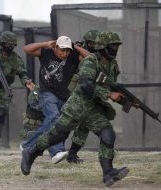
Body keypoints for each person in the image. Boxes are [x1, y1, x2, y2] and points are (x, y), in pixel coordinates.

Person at [21, 31, 130, 187]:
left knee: (107, 134)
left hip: (92, 108)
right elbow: (86, 86)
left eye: (116, 46)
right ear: (103, 47)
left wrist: (126, 101)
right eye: (111, 46)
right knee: (56, 135)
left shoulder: (112, 65)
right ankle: (30, 152)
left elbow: (112, 89)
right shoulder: (90, 61)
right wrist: (109, 94)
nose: (115, 49)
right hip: (76, 106)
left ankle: (108, 173)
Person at [21, 35, 88, 164]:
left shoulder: (73, 57)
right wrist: (46, 43)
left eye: (67, 50)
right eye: (62, 49)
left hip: (63, 96)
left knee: (53, 124)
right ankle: (56, 152)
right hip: (47, 93)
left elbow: (90, 58)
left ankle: (27, 145)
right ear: (55, 47)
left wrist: (75, 47)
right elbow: (26, 49)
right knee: (53, 117)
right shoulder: (46, 52)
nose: (65, 53)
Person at [67, 29, 100, 164]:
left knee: (83, 125)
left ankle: (72, 153)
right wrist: (75, 48)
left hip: (89, 93)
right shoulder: (77, 51)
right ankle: (51, 148)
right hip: (72, 92)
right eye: (91, 43)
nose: (94, 45)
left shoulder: (99, 55)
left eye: (96, 43)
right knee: (63, 122)